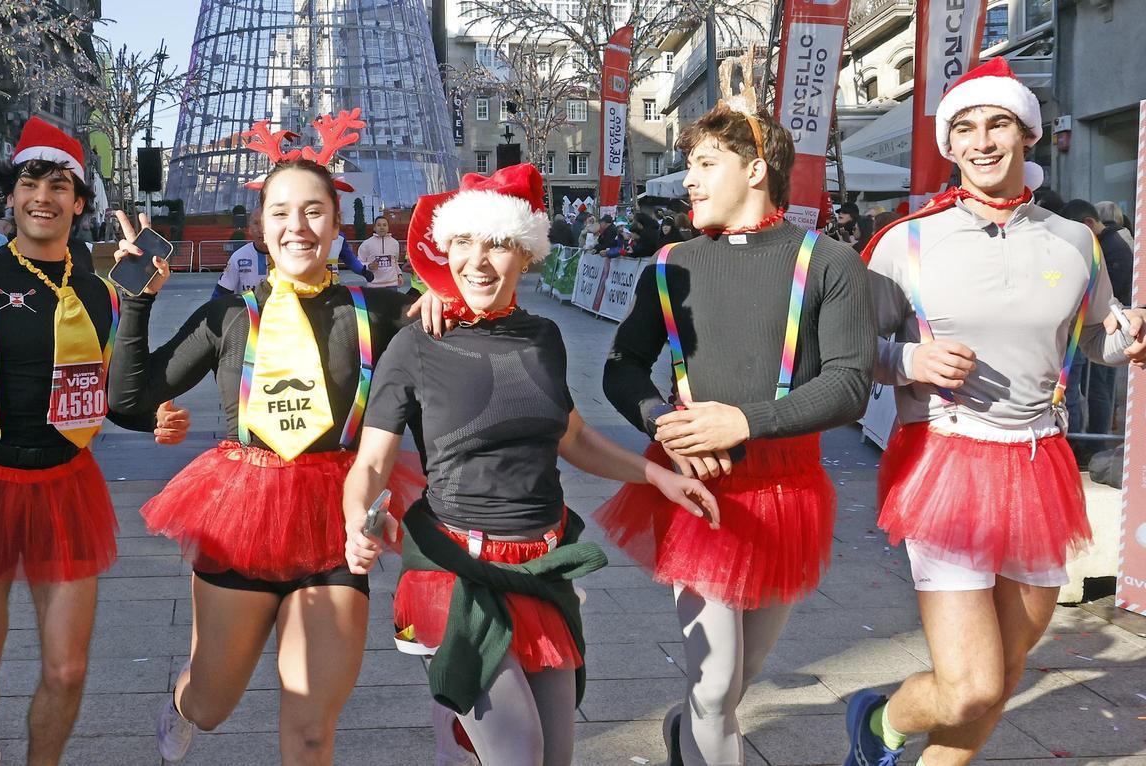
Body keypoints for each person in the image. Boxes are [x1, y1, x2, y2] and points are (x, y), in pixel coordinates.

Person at [343, 163, 719, 766]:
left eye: (497, 244)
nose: (478, 261)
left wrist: (658, 475)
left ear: (526, 252)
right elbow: (370, 465)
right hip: (456, 572)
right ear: (445, 248)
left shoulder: (544, 336)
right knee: (520, 754)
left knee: (553, 756)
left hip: (542, 567)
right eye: (463, 242)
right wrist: (355, 520)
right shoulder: (415, 343)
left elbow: (570, 436)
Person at [107, 114, 439, 764]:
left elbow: (433, 420)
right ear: (261, 226)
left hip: (337, 525)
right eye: (281, 210)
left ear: (336, 225)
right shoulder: (229, 314)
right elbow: (129, 402)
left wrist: (442, 303)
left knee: (314, 727)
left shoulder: (377, 315)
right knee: (212, 700)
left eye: (313, 210)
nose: (297, 225)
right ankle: (182, 708)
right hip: (242, 519)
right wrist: (137, 301)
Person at [847, 57, 1146, 766]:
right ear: (949, 145)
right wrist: (907, 361)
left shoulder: (1075, 240)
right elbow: (847, 354)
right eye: (967, 128)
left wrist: (1128, 337)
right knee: (969, 685)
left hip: (1040, 462)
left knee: (1004, 673)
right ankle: (880, 723)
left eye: (999, 124)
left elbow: (1097, 334)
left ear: (1028, 135)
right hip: (945, 459)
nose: (983, 141)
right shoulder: (906, 242)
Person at [597, 99, 875, 765]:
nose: (688, 179)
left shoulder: (831, 262)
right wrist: (666, 426)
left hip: (788, 494)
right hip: (700, 491)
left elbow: (849, 384)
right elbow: (622, 366)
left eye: (704, 164)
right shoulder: (670, 265)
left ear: (755, 171)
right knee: (716, 682)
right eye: (688, 165)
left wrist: (744, 421)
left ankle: (683, 732)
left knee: (734, 680)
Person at [0, 116, 190, 766]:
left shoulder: (102, 292)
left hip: (66, 486)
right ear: (11, 195)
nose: (44, 197)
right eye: (32, 181)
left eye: (60, 185)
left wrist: (153, 416)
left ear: (80, 203)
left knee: (67, 671)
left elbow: (111, 392)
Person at [1061, 198, 1134, 436]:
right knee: (1096, 389)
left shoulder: (1111, 247)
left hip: (1109, 329)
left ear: (1089, 223)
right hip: (1103, 327)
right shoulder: (1110, 242)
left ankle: (1096, 441)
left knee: (1100, 389)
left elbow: (1109, 293)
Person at [212, 207, 269, 297]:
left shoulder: (289, 255)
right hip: (250, 308)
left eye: (266, 223)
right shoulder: (238, 257)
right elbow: (220, 295)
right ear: (249, 229)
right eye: (256, 223)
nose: (261, 230)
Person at [357, 214, 404, 289]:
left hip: (392, 284)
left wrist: (399, 275)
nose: (382, 227)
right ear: (374, 228)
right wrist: (369, 265)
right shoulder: (366, 244)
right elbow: (358, 262)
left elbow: (395, 262)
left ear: (388, 228)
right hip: (374, 285)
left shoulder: (395, 243)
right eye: (379, 225)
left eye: (384, 225)